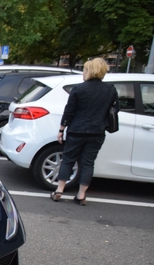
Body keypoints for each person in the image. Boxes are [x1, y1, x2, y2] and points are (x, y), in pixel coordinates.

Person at [51, 58, 118, 205]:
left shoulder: (78, 89)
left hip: (77, 130)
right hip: (97, 132)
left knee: (68, 159)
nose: (83, 72)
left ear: (90, 71)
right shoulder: (110, 90)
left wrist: (62, 129)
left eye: (85, 70)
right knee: (88, 163)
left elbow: (69, 111)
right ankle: (81, 195)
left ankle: (59, 190)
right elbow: (114, 110)